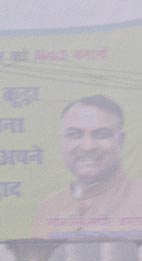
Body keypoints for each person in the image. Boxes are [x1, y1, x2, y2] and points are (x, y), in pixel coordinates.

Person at [34, 95, 142, 238]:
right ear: (62, 141)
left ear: (121, 140)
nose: (87, 147)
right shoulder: (50, 207)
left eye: (101, 135)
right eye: (75, 135)